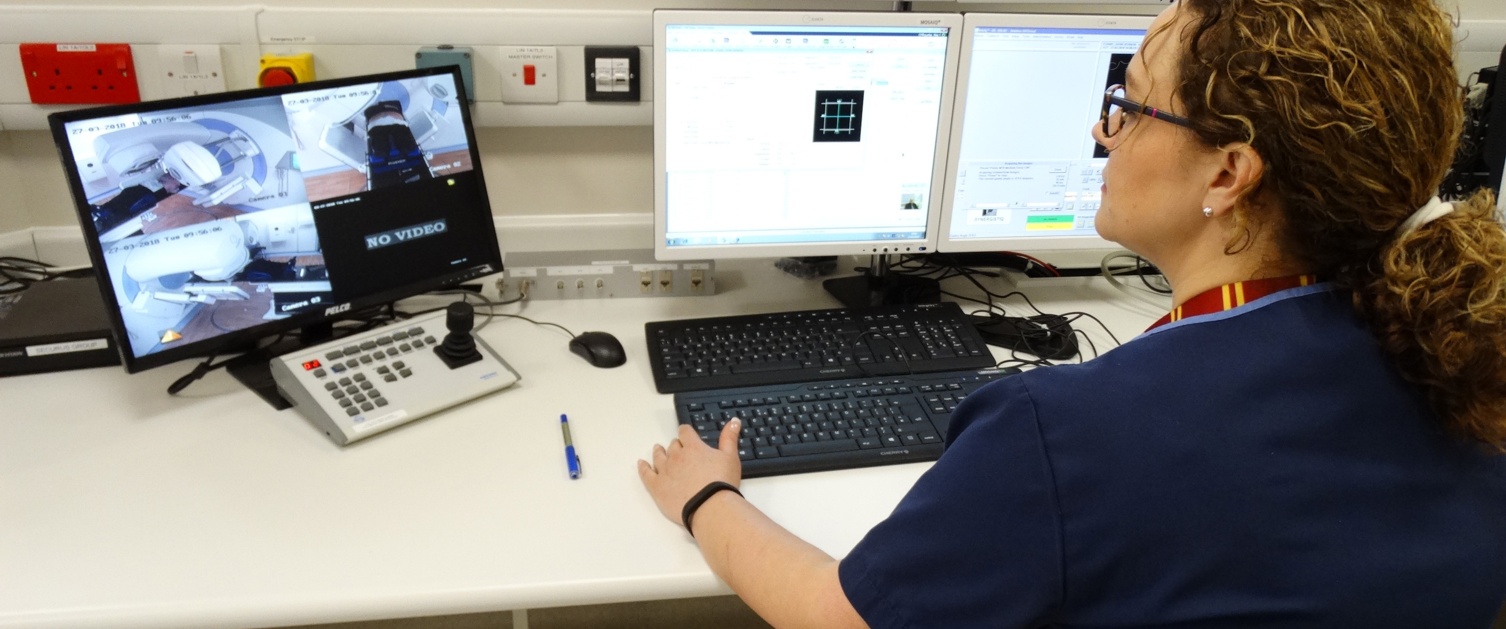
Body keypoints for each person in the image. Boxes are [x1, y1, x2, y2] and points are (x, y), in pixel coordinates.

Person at [638, 0, 1506, 626]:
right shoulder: (1463, 355)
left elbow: (843, 615)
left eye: (1130, 105)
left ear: (1227, 173)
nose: (1105, 135)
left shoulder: (1064, 433)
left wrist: (708, 498)